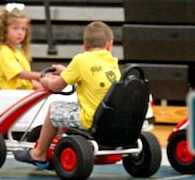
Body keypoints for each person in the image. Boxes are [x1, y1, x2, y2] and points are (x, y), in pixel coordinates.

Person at [14, 21, 120, 168]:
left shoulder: (81, 59)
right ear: (110, 44)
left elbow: (57, 86)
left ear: (84, 47)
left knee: (54, 109)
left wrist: (45, 81)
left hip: (90, 119)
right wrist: (66, 72)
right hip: (111, 119)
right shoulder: (112, 62)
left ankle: (39, 153)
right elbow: (90, 75)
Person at [0, 3, 43, 90]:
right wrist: (42, 76)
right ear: (4, 30)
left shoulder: (19, 53)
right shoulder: (3, 51)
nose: (20, 33)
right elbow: (19, 74)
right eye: (15, 28)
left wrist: (42, 88)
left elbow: (26, 80)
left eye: (23, 29)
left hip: (19, 94)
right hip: (6, 96)